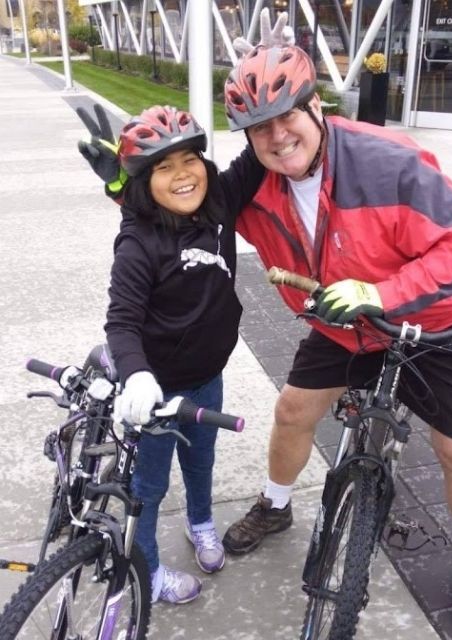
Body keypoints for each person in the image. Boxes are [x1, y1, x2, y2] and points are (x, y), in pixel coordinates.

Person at [220, 19, 452, 637]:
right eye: (260, 127)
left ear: (317, 105)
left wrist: (383, 292)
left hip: (430, 322)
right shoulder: (256, 180)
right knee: (291, 411)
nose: (278, 137)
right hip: (344, 326)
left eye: (288, 116)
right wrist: (132, 184)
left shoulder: (387, 162)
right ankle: (274, 505)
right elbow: (182, 198)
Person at [95, 104, 264, 605]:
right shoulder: (138, 243)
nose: (183, 174)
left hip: (207, 376)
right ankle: (144, 571)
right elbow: (121, 322)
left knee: (200, 460)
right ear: (144, 183)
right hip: (157, 393)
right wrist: (138, 375)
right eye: (164, 167)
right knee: (147, 485)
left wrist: (264, 96)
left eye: (190, 159)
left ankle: (201, 524)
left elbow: (258, 155)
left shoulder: (220, 203)